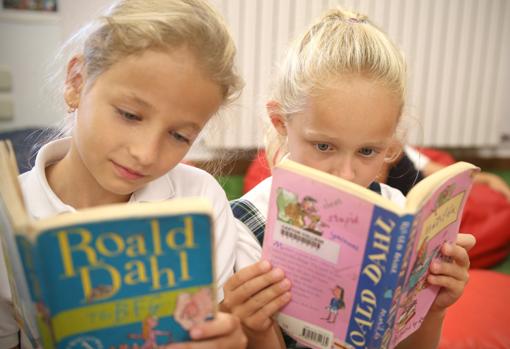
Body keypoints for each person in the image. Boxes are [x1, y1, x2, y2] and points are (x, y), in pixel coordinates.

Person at [0, 1, 252, 348]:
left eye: (180, 136)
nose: (145, 154)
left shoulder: (201, 201)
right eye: (130, 115)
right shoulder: (11, 214)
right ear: (76, 82)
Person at [225, 7, 475, 349]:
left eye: (367, 151)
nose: (345, 175)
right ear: (281, 124)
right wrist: (256, 329)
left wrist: (434, 308)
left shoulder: (395, 211)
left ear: (392, 141)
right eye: (324, 145)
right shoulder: (242, 228)